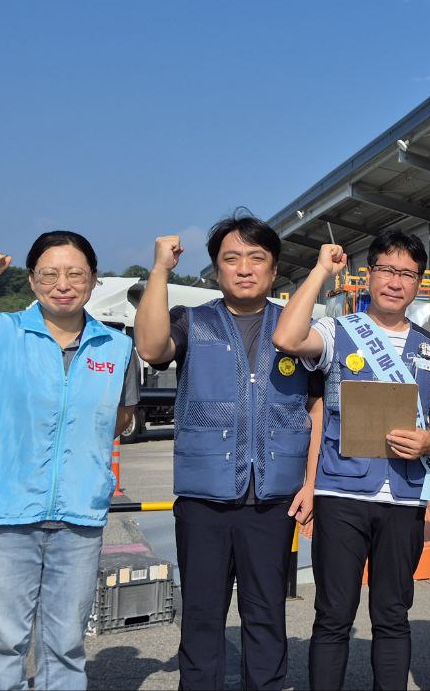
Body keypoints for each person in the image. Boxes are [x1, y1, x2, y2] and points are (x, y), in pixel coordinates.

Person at [133, 216, 324, 690]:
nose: (244, 269)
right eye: (231, 259)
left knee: (266, 617)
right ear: (216, 271)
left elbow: (318, 406)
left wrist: (311, 482)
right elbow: (151, 347)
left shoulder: (296, 326)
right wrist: (160, 270)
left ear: (274, 269)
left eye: (256, 258)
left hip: (272, 498)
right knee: (201, 616)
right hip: (204, 499)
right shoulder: (192, 321)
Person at [273, 230, 430, 691]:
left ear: (420, 283)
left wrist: (428, 442)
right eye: (386, 270)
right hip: (341, 494)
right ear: (368, 274)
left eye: (407, 274)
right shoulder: (338, 332)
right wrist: (320, 271)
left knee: (393, 614)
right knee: (333, 614)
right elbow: (287, 337)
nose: (395, 282)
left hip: (405, 498)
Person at [0, 233, 138, 690]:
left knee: (66, 646)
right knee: (1, 646)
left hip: (78, 518)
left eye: (75, 273)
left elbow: (120, 420)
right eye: (49, 274)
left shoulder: (117, 348)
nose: (63, 284)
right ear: (32, 280)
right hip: (3, 517)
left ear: (94, 280)